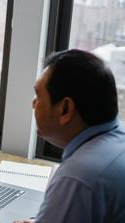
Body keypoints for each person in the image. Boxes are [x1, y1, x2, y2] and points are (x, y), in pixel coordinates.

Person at [15, 49, 125, 223]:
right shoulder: (118, 140)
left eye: (38, 95)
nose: (33, 103)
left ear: (65, 109)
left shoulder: (79, 177)